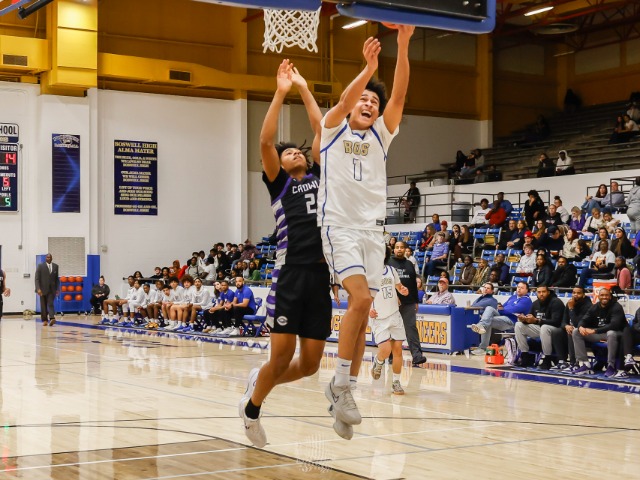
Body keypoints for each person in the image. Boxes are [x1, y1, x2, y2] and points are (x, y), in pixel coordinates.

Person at [318, 27, 415, 433]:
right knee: (359, 300)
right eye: (365, 99)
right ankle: (340, 384)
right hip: (339, 227)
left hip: (373, 233)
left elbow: (399, 97)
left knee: (360, 318)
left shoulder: (380, 135)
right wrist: (368, 69)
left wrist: (403, 45)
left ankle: (346, 393)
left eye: (374, 102)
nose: (370, 104)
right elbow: (344, 101)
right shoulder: (332, 129)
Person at [240, 59, 334, 447]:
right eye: (289, 151)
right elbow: (265, 142)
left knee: (310, 365)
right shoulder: (279, 184)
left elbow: (322, 130)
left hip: (320, 276)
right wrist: (281, 92)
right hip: (290, 275)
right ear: (277, 164)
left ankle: (261, 380)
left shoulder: (321, 177)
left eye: (299, 150)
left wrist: (304, 87)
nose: (295, 151)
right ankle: (251, 411)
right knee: (280, 358)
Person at [369, 250, 409, 395]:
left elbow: (399, 286)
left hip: (394, 315)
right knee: (385, 350)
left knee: (398, 350)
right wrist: (368, 309)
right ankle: (378, 361)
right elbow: (362, 295)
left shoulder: (392, 270)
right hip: (379, 317)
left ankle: (396, 383)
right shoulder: (368, 273)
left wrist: (403, 290)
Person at [388, 241, 427, 368]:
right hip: (392, 302)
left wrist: (416, 301)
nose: (399, 249)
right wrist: (395, 297)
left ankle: (417, 356)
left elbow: (413, 284)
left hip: (409, 302)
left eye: (401, 247)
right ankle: (391, 355)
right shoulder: (388, 263)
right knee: (393, 329)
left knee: (411, 328)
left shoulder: (410, 264)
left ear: (405, 249)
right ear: (394, 249)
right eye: (397, 247)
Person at [572, 288, 627, 376]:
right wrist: (580, 327)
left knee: (611, 333)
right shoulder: (595, 307)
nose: (604, 297)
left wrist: (594, 331)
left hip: (617, 334)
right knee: (576, 331)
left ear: (610, 297)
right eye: (602, 295)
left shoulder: (616, 306)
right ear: (598, 296)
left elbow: (614, 325)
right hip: (600, 334)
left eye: (606, 295)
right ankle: (585, 364)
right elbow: (584, 319)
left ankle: (611, 366)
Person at [470, 281, 532, 354]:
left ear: (526, 290)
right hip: (502, 317)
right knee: (488, 312)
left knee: (488, 317)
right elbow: (501, 307)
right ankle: (482, 343)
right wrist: (503, 309)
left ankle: (481, 327)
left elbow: (513, 310)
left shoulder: (526, 300)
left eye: (522, 288)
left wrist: (503, 309)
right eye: (518, 287)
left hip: (512, 321)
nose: (519, 289)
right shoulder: (513, 297)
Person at [514, 285, 565, 369]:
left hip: (556, 330)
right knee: (518, 325)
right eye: (539, 292)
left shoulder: (556, 302)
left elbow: (556, 322)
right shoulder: (535, 303)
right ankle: (525, 355)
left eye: (543, 292)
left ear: (548, 292)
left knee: (545, 327)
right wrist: (524, 320)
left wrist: (537, 321)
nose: (541, 294)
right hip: (541, 328)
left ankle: (547, 358)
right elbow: (531, 318)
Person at [553, 286, 591, 371]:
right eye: (574, 293)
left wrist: (571, 308)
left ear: (583, 295)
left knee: (573, 332)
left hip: (583, 331)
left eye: (578, 293)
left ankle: (574, 363)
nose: (575, 295)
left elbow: (578, 323)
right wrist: (566, 326)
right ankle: (562, 361)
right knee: (557, 331)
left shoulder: (588, 306)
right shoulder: (570, 303)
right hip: (572, 329)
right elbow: (563, 321)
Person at [34, 253, 60, 326]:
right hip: (42, 289)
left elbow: (57, 279)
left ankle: (52, 318)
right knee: (43, 305)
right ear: (45, 258)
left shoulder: (55, 266)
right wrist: (38, 288)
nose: (48, 258)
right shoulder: (40, 266)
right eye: (47, 257)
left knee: (50, 303)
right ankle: (45, 320)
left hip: (52, 289)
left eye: (49, 257)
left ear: (51, 258)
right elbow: (36, 279)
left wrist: (57, 289)